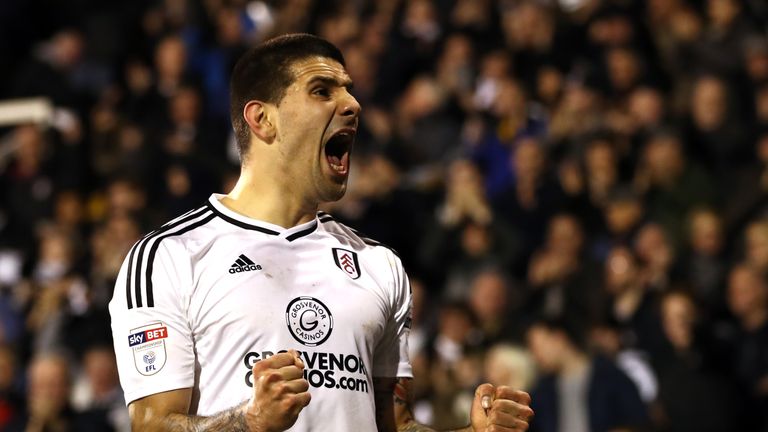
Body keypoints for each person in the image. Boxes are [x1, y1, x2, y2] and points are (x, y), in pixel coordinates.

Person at [109, 33, 533, 431]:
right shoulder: (170, 257)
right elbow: (152, 423)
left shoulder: (377, 264)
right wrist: (250, 422)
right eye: (322, 91)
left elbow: (395, 424)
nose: (352, 104)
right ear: (263, 119)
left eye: (348, 89)